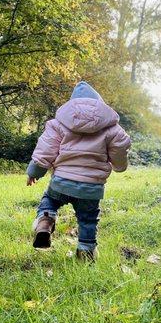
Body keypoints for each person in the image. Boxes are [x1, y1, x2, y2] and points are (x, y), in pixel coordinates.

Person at [26, 81, 131, 261]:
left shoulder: (59, 124)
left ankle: (45, 222)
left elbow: (46, 149)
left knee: (49, 201)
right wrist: (120, 166)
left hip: (61, 183)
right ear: (99, 104)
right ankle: (86, 251)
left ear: (72, 105)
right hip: (91, 188)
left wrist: (35, 171)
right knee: (88, 219)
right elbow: (120, 149)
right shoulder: (112, 128)